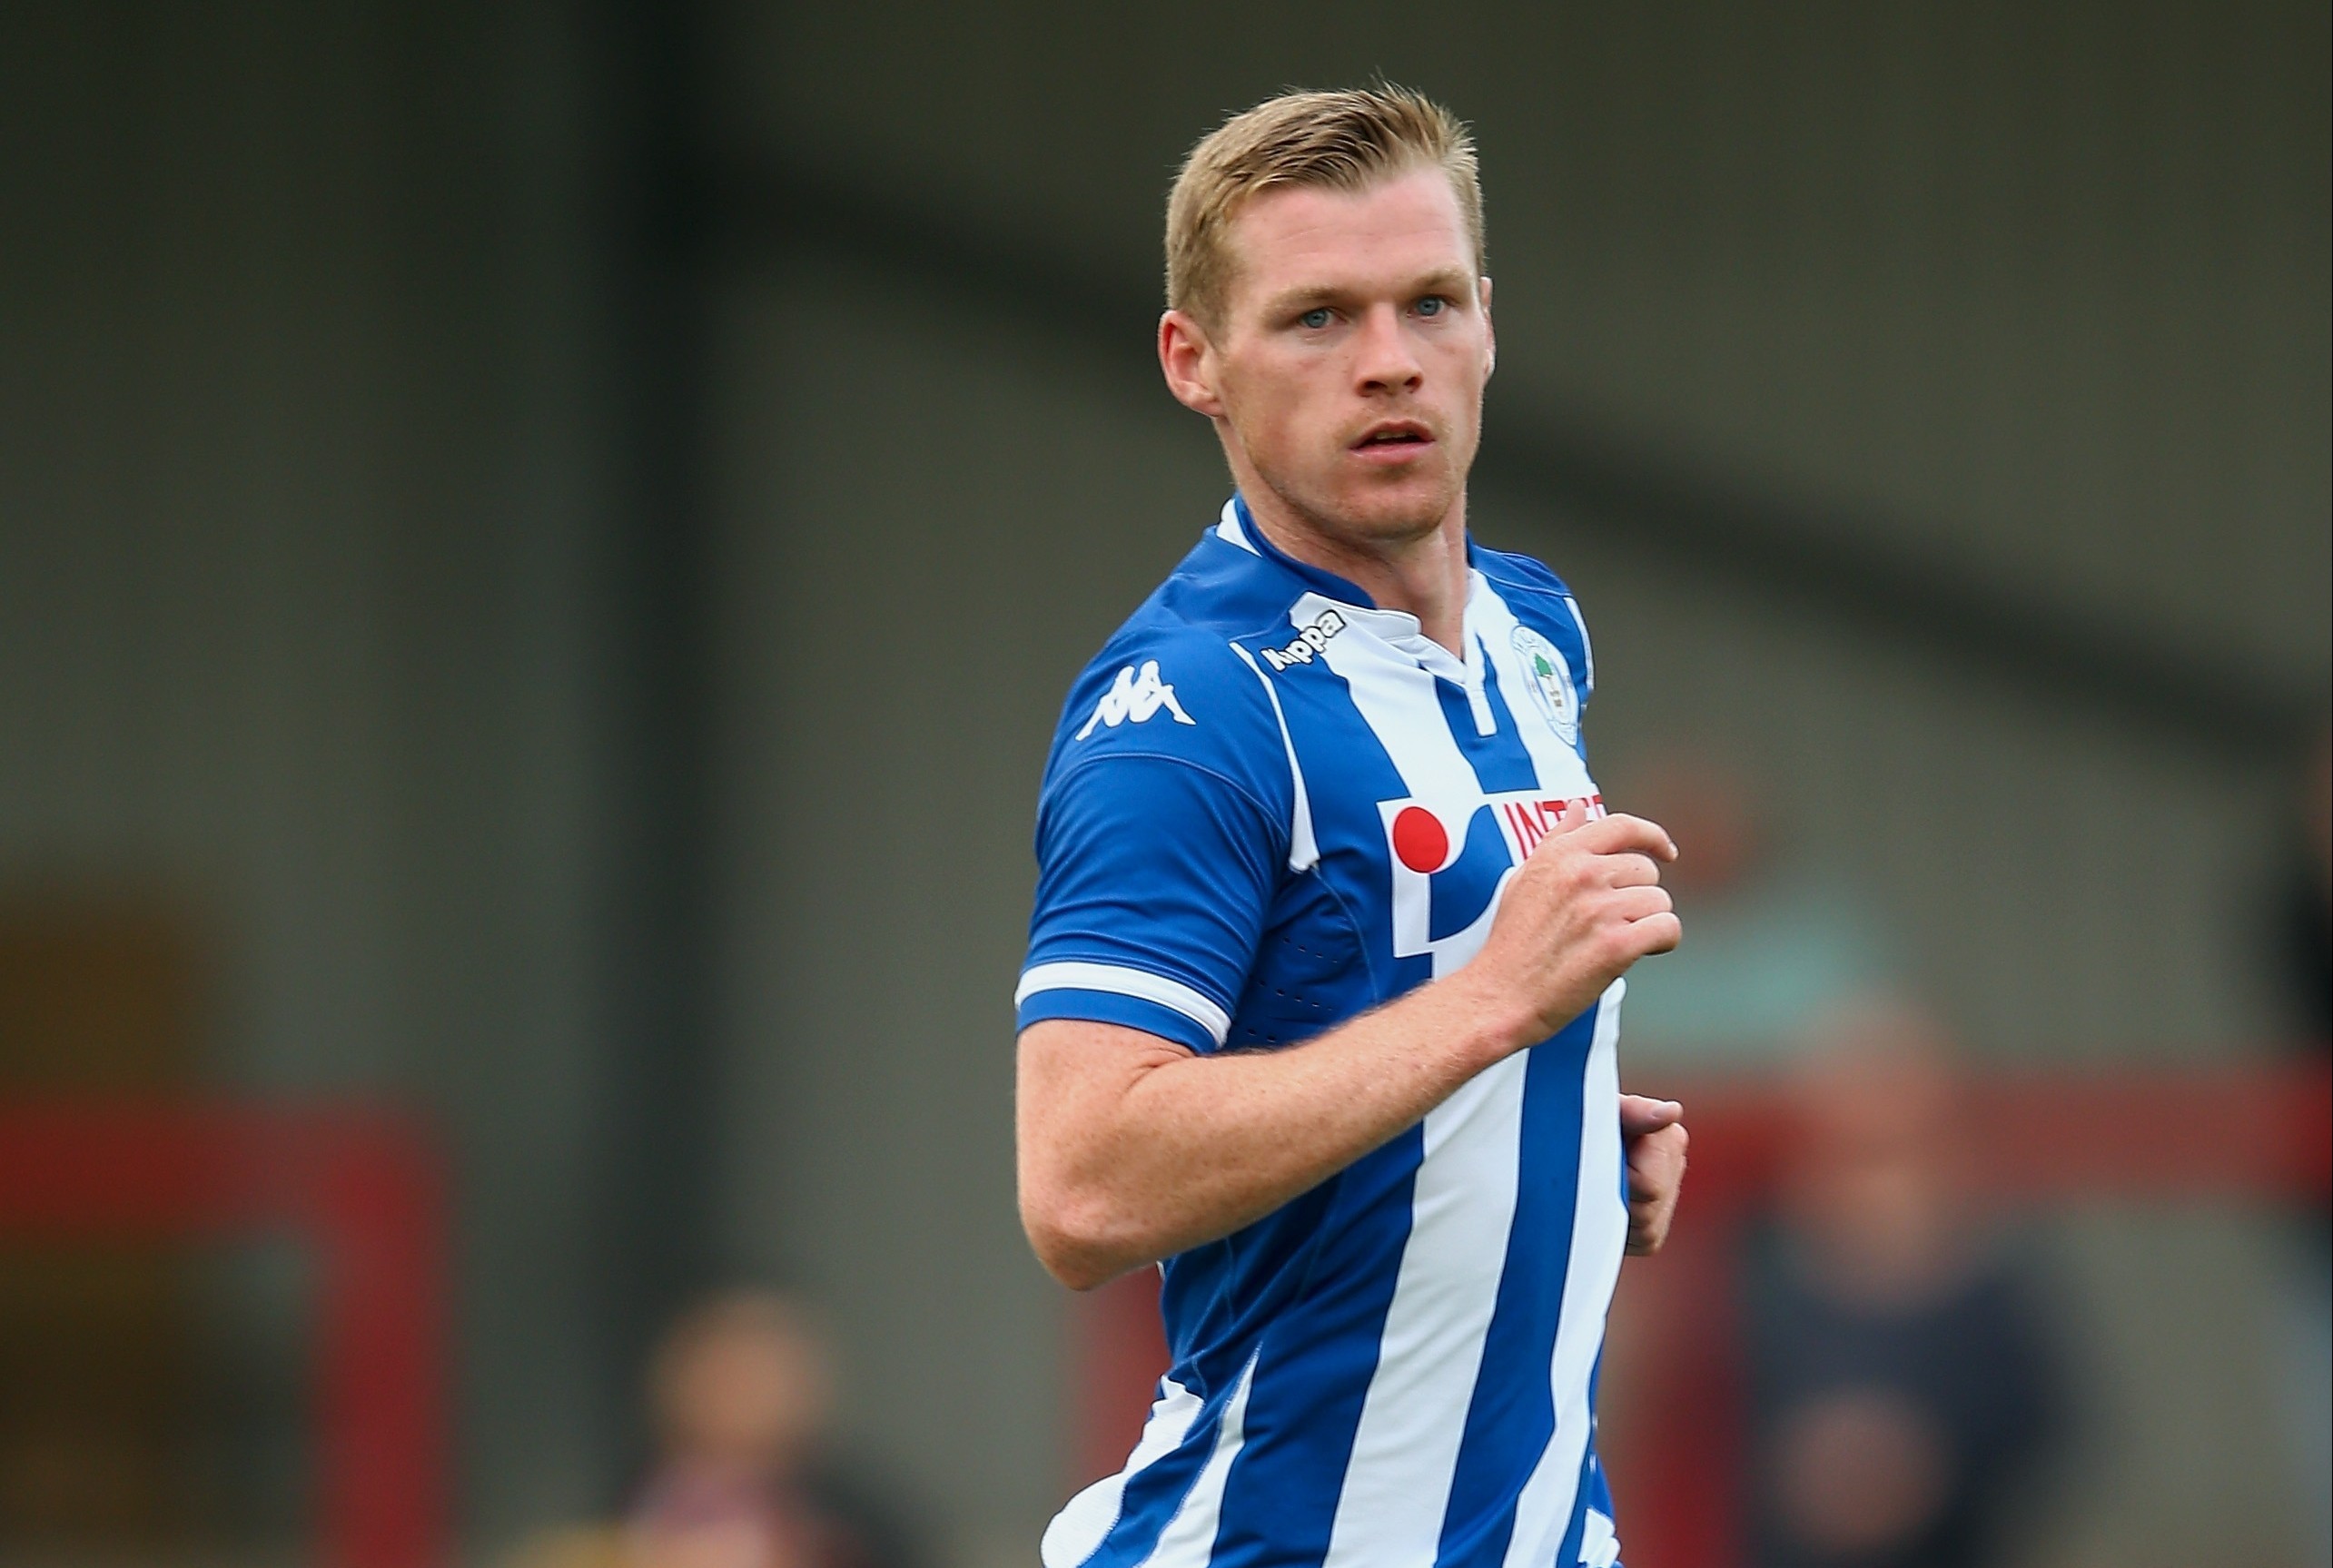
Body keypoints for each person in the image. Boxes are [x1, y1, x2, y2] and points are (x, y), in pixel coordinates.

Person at [1013, 87, 1689, 1565]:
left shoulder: (1530, 628)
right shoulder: (1188, 711)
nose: (1387, 362)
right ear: (1194, 362)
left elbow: (1392, 993)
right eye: (1315, 318)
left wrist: (1549, 1131)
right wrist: (1494, 1014)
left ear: (1487, 326)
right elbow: (1079, 1181)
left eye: (1427, 303)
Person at [1745, 1002, 2067, 1568]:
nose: (1882, 1190)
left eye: (1901, 1151)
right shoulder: (1756, 1280)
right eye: (1859, 1155)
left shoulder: (1997, 1289)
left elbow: (2048, 1434)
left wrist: (1927, 1466)